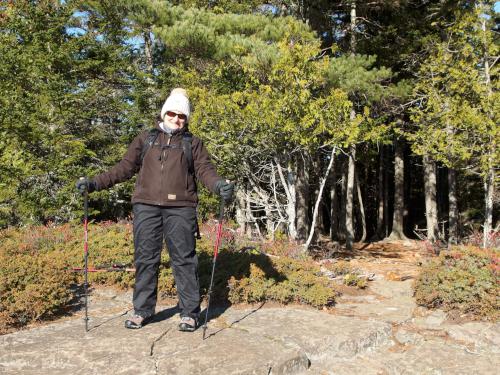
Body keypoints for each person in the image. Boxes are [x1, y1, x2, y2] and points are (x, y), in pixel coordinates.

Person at [76, 88, 234, 331]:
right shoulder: (145, 139)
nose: (176, 118)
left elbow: (205, 172)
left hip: (181, 208)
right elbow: (124, 168)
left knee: (184, 260)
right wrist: (95, 183)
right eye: (172, 113)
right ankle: (142, 311)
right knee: (145, 259)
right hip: (146, 207)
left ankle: (190, 314)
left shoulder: (193, 144)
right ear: (164, 113)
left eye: (182, 115)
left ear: (187, 118)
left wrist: (219, 186)